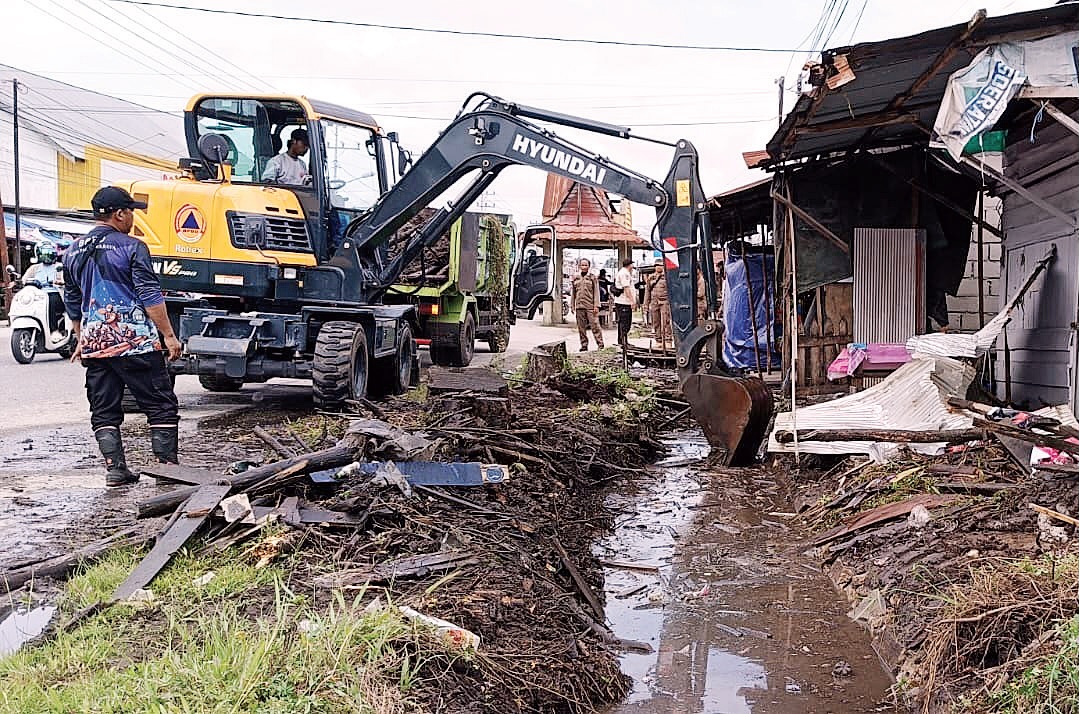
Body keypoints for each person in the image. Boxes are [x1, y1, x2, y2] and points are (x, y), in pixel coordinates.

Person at [63, 186, 183, 487]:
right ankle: (167, 470)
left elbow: (72, 299)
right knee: (160, 405)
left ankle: (115, 470)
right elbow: (149, 294)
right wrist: (169, 335)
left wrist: (82, 338)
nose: (132, 217)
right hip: (135, 343)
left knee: (104, 408)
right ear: (119, 214)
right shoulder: (132, 247)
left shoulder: (72, 250)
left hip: (95, 345)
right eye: (130, 211)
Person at [570, 258, 604, 351]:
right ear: (579, 266)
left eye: (586, 265)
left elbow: (596, 292)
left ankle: (600, 344)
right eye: (582, 265)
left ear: (589, 266)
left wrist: (596, 305)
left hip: (590, 306)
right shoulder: (576, 278)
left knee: (595, 326)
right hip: (579, 306)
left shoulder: (592, 277)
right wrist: (572, 305)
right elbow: (573, 293)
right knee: (581, 327)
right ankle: (584, 345)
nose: (584, 267)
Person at [613, 258, 635, 347]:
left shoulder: (625, 273)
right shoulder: (624, 273)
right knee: (625, 322)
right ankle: (623, 341)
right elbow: (626, 288)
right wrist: (632, 301)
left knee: (624, 322)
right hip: (624, 302)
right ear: (629, 265)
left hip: (624, 302)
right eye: (632, 265)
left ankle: (623, 340)